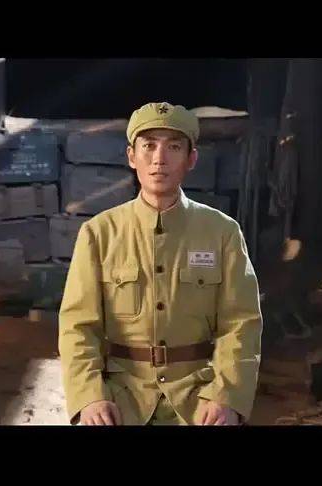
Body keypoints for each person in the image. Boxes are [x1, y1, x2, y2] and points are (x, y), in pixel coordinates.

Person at [58, 102, 262, 425]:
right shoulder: (99, 233)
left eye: (174, 147)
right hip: (121, 394)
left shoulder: (222, 232)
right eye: (149, 145)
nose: (159, 159)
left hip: (199, 395)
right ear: (131, 156)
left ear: (191, 159)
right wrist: (91, 397)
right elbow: (78, 327)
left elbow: (241, 323)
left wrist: (225, 397)